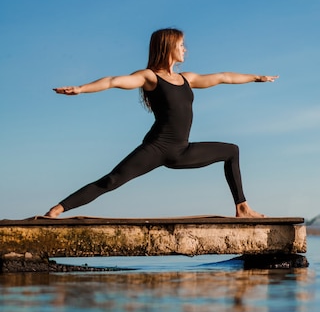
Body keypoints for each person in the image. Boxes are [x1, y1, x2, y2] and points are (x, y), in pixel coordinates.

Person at [45, 28, 277, 219]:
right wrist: (81, 89)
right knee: (111, 180)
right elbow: (113, 81)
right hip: (155, 148)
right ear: (168, 47)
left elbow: (223, 77)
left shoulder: (188, 79)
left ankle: (242, 207)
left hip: (181, 151)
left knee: (231, 151)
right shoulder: (149, 77)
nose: (185, 49)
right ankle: (56, 210)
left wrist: (256, 78)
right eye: (181, 45)